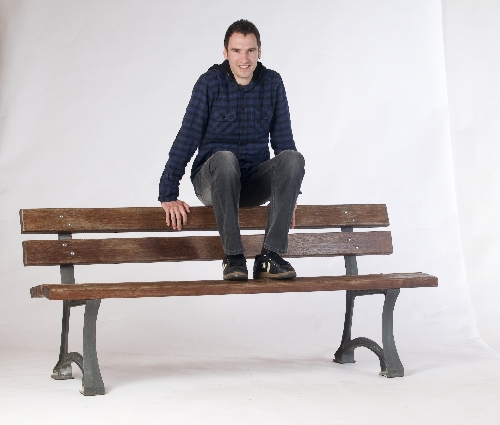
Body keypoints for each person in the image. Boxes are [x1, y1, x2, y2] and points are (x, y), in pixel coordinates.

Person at [159, 19, 305, 281]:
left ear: (259, 51)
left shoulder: (272, 82)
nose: (244, 59)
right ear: (225, 53)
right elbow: (187, 137)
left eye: (250, 50)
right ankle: (234, 257)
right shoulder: (209, 83)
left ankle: (270, 257)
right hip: (213, 181)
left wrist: (289, 195)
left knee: (294, 159)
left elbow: (284, 142)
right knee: (226, 159)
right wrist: (168, 193)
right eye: (237, 51)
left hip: (252, 182)